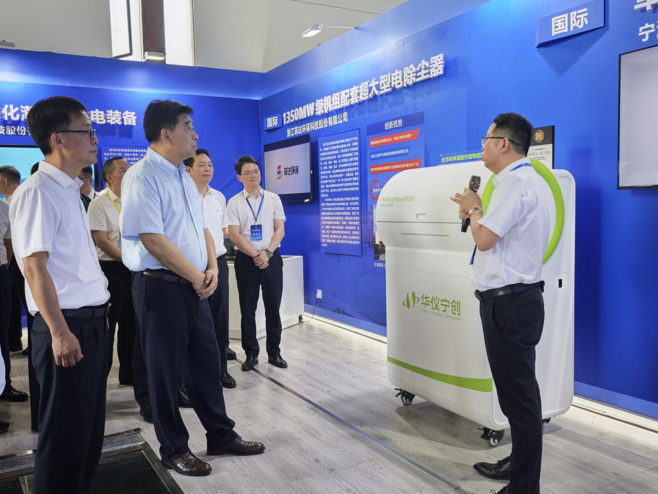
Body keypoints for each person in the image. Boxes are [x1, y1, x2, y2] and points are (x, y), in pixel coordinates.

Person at [121, 99, 264, 477]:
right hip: (161, 287)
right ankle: (174, 449)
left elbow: (203, 228)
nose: (195, 134)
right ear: (166, 134)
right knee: (165, 373)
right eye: (188, 127)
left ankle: (221, 434)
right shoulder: (142, 176)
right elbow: (152, 239)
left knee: (205, 363)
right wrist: (196, 275)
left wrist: (212, 266)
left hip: (194, 284)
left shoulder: (183, 176)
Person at [10, 96, 111, 494]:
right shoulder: (37, 192)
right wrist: (59, 332)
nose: (94, 140)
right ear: (58, 139)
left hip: (91, 324)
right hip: (66, 327)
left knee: (87, 430)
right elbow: (35, 269)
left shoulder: (70, 189)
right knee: (64, 436)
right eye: (86, 132)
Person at [450, 113, 552, 494]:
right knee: (516, 397)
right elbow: (490, 236)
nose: (483, 147)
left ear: (503, 144)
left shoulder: (517, 183)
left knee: (520, 402)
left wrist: (474, 208)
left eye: (486, 139)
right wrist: (475, 212)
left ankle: (524, 487)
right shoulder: (518, 181)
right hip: (510, 302)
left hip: (511, 304)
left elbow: (484, 240)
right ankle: (518, 465)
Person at [227, 155, 287, 372]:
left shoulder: (273, 199)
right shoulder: (234, 202)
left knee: (273, 307)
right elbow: (234, 235)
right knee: (248, 309)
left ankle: (274, 352)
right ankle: (251, 354)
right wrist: (255, 255)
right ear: (239, 177)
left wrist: (267, 253)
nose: (253, 175)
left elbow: (280, 229)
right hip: (246, 260)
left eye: (256, 171)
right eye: (248, 172)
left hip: (271, 258)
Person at [184, 148, 237, 389]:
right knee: (191, 321)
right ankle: (190, 376)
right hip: (191, 266)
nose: (207, 169)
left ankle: (220, 370)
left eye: (210, 165)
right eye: (202, 165)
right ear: (189, 169)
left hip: (218, 262)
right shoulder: (184, 197)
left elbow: (221, 232)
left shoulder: (219, 197)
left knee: (219, 318)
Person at [88, 157, 135, 384]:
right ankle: (99, 380)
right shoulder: (99, 203)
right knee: (108, 327)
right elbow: (102, 241)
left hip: (134, 269)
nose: (129, 173)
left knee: (131, 325)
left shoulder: (134, 200)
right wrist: (129, 259)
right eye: (123, 170)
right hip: (111, 270)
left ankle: (129, 374)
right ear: (109, 177)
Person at [0, 199, 27, 411]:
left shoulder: (3, 207)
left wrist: (4, 269)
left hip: (0, 273)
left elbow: (8, 242)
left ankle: (4, 386)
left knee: (2, 335)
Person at [0, 166, 25, 353]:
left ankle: (13, 341)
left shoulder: (8, 204)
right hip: (9, 264)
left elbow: (9, 240)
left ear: (4, 181)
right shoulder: (5, 204)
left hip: (18, 260)